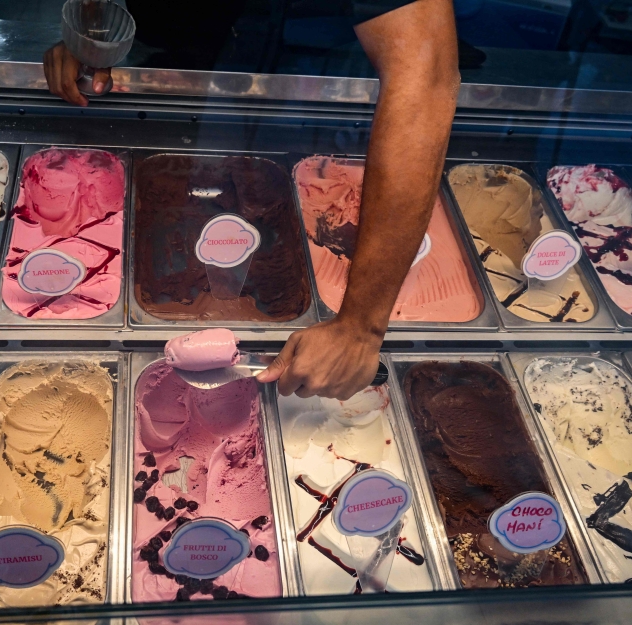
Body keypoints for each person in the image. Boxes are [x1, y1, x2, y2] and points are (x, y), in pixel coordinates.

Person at [44, 0, 459, 400]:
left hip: (303, 87)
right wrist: (93, 36)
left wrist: (361, 327)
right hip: (165, 69)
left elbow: (425, 75)